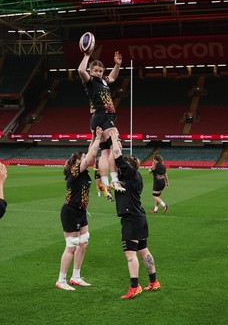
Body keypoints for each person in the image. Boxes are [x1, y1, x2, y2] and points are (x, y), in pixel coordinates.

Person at [110, 128, 161, 300]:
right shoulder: (135, 176)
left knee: (130, 253)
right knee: (143, 250)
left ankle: (135, 286)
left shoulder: (131, 174)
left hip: (131, 218)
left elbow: (117, 158)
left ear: (128, 166)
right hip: (139, 217)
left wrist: (113, 140)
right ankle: (154, 282)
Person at [56, 126, 103, 291]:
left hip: (81, 211)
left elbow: (90, 152)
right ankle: (61, 280)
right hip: (71, 211)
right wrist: (97, 138)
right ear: (77, 162)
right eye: (82, 158)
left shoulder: (82, 172)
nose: (87, 160)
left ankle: (75, 277)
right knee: (72, 245)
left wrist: (92, 136)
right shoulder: (75, 171)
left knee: (84, 242)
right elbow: (90, 155)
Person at [78, 50, 125, 198]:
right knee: (116, 144)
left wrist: (117, 65)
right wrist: (86, 56)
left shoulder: (103, 80)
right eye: (95, 70)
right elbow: (80, 70)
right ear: (91, 71)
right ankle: (115, 180)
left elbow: (112, 77)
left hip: (98, 118)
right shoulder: (90, 81)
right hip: (103, 116)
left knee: (105, 152)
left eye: (100, 70)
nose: (98, 73)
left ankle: (104, 183)